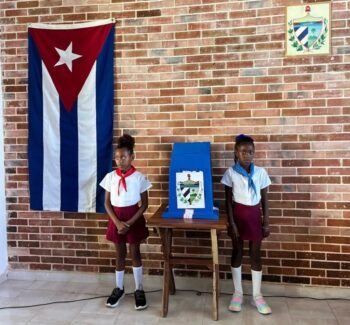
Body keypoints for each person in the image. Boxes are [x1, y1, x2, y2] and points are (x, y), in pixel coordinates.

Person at [221, 134, 272, 315]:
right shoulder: (230, 173)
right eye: (243, 152)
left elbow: (265, 200)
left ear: (254, 153)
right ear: (236, 152)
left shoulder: (261, 173)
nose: (247, 155)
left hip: (254, 218)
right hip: (238, 218)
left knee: (255, 254)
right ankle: (238, 293)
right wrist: (231, 223)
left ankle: (257, 295)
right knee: (237, 252)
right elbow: (227, 201)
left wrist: (265, 221)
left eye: (250, 152)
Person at [100, 134, 151, 310]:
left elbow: (144, 204)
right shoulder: (110, 177)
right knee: (119, 254)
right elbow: (106, 203)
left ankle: (139, 289)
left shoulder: (139, 178)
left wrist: (128, 223)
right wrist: (117, 222)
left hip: (133, 218)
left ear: (132, 157)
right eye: (117, 157)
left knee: (135, 253)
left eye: (123, 157)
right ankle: (119, 288)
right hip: (116, 218)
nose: (120, 160)